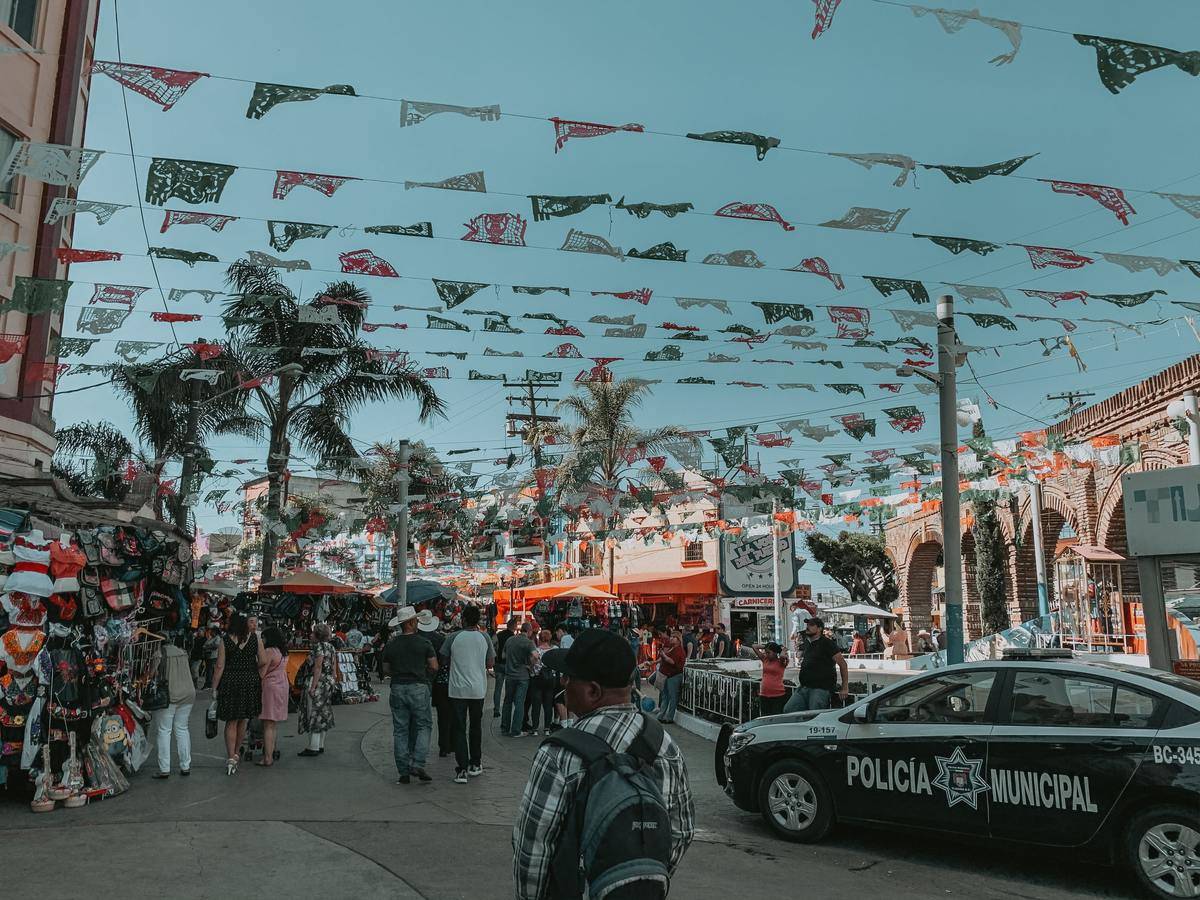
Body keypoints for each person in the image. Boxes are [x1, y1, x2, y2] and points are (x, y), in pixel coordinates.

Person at [512, 629, 695, 900]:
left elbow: (533, 845)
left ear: (593, 691)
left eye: (569, 677)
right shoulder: (663, 744)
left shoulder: (560, 752)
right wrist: (637, 881)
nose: (563, 682)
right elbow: (682, 829)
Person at [383, 606, 437, 784]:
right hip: (418, 687)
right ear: (413, 622)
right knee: (423, 726)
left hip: (398, 687)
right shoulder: (423, 643)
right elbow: (434, 666)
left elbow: (385, 669)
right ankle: (418, 762)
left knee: (400, 730)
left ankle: (403, 771)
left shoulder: (392, 644)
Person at [441, 604, 493, 783]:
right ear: (478, 620)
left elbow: (444, 659)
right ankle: (475, 763)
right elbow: (490, 662)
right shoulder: (484, 637)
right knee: (476, 727)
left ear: (462, 620)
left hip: (457, 690)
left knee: (459, 728)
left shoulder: (453, 637)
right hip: (478, 689)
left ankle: (461, 769)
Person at [211, 613, 262, 776]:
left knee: (231, 721)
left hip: (230, 681)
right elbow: (264, 660)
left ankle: (230, 755)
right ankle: (237, 753)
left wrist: (214, 687)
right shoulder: (254, 638)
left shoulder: (225, 640)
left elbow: (220, 666)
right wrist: (253, 669)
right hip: (249, 681)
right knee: (243, 719)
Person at [783, 617, 849, 713]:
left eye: (811, 625)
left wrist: (844, 687)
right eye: (807, 625)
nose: (808, 627)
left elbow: (842, 664)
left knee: (815, 715)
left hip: (820, 689)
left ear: (819, 628)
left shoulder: (827, 644)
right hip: (804, 687)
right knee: (789, 710)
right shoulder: (808, 643)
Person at [153, 633, 196, 779]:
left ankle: (164, 768)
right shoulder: (182, 652)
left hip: (170, 695)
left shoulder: (159, 654)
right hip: (188, 694)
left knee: (164, 731)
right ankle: (185, 765)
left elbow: (152, 673)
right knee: (182, 729)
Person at [297, 622, 338, 758]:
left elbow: (317, 667)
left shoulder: (317, 647)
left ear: (317, 635)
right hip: (327, 682)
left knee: (313, 712)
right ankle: (320, 744)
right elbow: (333, 666)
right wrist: (333, 680)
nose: (310, 635)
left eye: (313, 633)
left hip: (317, 682)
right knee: (324, 712)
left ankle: (313, 746)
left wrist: (313, 686)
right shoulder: (331, 647)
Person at [418, 609, 453, 758]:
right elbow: (445, 660)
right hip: (440, 681)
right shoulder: (440, 639)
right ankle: (444, 746)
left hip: (420, 680)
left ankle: (418, 750)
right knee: (444, 715)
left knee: (418, 718)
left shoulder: (415, 638)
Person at [256, 626, 289, 766]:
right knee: (273, 724)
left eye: (263, 637)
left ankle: (267, 758)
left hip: (270, 688)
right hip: (282, 685)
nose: (262, 640)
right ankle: (272, 751)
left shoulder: (269, 651)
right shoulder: (283, 652)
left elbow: (261, 673)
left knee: (268, 724)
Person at [501, 622, 537, 737]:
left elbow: (503, 656)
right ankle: (516, 730)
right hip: (522, 676)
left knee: (507, 702)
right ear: (529, 631)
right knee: (519, 703)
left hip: (510, 675)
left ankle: (505, 728)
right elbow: (535, 656)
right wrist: (530, 665)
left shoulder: (510, 640)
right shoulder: (529, 642)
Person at [526, 629, 557, 736]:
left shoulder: (536, 651)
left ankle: (535, 728)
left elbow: (532, 665)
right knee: (548, 704)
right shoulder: (554, 650)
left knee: (536, 704)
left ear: (540, 638)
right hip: (550, 680)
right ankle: (547, 728)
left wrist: (530, 669)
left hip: (537, 679)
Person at [657, 629, 686, 724]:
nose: (671, 638)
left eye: (674, 637)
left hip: (674, 676)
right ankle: (661, 715)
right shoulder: (672, 648)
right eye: (671, 636)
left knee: (672, 696)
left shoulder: (679, 650)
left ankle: (669, 717)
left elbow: (672, 662)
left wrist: (664, 656)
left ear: (678, 640)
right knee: (665, 695)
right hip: (667, 675)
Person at [753, 642, 789, 716]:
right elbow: (754, 646)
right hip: (764, 694)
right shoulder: (765, 659)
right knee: (765, 717)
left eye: (769, 652)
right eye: (766, 652)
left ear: (775, 653)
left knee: (776, 718)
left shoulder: (781, 662)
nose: (766, 654)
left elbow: (782, 655)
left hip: (778, 695)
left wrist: (780, 649)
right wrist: (767, 647)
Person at [492, 618, 517, 717]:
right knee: (508, 687)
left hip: (498, 664)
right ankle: (507, 707)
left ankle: (496, 709)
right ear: (514, 626)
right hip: (508, 665)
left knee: (498, 688)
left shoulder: (498, 635)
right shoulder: (514, 638)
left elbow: (493, 646)